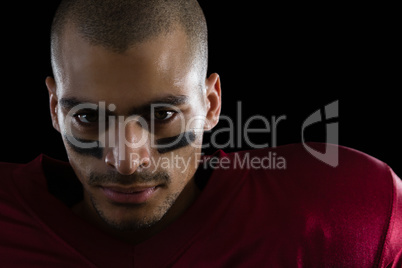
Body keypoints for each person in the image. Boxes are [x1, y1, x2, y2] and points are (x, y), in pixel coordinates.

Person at [0, 0, 401, 267]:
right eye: (88, 118)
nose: (125, 160)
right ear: (55, 109)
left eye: (162, 116)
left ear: (211, 104)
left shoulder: (343, 214)